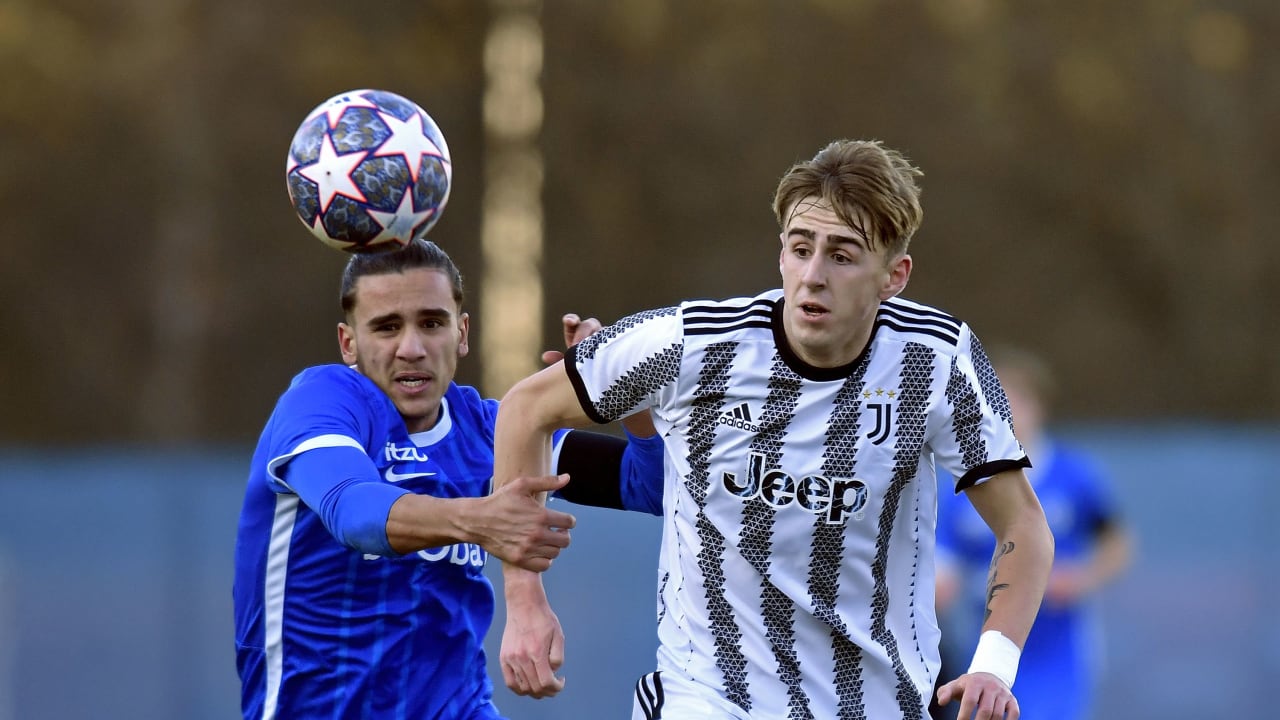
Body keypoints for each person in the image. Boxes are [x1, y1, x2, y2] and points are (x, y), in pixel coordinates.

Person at [491, 138, 1056, 720]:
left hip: (877, 701)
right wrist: (524, 598)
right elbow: (524, 410)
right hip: (709, 697)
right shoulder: (691, 345)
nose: (813, 276)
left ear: (894, 276)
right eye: (800, 247)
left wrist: (993, 664)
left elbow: (1023, 526)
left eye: (842, 255)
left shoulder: (937, 361)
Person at [232, 238, 663, 720]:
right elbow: (353, 511)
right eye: (387, 327)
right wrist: (483, 520)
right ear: (348, 343)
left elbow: (651, 486)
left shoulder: (488, 428)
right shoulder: (322, 401)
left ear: (462, 333)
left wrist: (629, 396)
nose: (411, 348)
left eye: (431, 323)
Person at [933, 344, 1132, 720]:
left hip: (1058, 650)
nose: (1004, 411)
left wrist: (1082, 578)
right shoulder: (963, 486)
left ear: (1039, 407)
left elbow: (1117, 544)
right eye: (995, 399)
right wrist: (937, 588)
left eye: (1016, 400)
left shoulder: (1073, 475)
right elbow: (945, 563)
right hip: (987, 648)